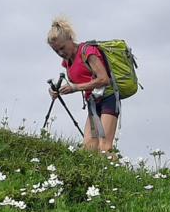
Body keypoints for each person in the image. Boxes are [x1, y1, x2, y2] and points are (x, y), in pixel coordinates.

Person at [47, 17, 118, 153]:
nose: (61, 53)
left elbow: (104, 79)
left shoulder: (88, 52)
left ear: (69, 38)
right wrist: (56, 90)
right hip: (93, 102)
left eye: (62, 48)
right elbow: (78, 80)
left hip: (108, 98)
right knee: (88, 148)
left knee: (104, 147)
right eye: (56, 51)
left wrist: (74, 88)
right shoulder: (67, 62)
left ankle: (118, 172)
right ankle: (101, 174)